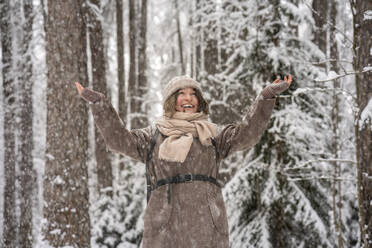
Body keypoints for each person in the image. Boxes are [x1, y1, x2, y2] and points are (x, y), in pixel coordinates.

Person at [75, 75, 292, 248]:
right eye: (181, 94)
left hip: (207, 224)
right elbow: (119, 141)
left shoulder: (214, 134)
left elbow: (248, 134)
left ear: (200, 101)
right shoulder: (153, 135)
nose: (188, 98)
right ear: (171, 100)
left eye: (193, 94)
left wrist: (265, 97)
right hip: (164, 224)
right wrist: (100, 105)